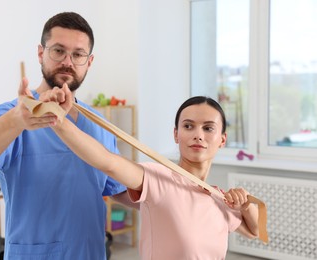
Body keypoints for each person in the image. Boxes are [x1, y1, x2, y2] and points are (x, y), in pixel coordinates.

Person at [0, 12, 133, 260]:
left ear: (90, 61)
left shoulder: (100, 125)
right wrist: (16, 121)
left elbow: (116, 187)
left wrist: (171, 196)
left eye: (78, 54)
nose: (68, 61)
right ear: (41, 53)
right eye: (58, 51)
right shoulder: (15, 114)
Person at [39, 85, 260, 260]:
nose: (198, 135)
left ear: (222, 139)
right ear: (176, 134)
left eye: (208, 128)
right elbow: (109, 163)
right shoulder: (158, 179)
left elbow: (255, 232)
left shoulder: (219, 198)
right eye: (188, 126)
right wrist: (58, 121)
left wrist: (246, 206)